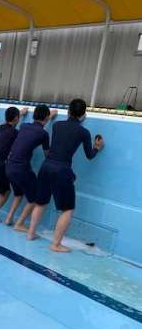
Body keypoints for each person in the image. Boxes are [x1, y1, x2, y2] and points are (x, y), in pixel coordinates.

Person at [28, 98, 104, 253]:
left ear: (68, 111)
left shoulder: (57, 125)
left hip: (46, 166)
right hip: (62, 170)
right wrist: (97, 147)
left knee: (41, 202)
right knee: (68, 209)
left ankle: (30, 234)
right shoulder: (83, 132)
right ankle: (55, 244)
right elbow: (89, 155)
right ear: (83, 115)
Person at [5, 105, 58, 230]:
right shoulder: (44, 134)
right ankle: (19, 224)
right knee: (35, 198)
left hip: (9, 166)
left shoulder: (23, 126)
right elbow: (47, 155)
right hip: (22, 169)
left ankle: (9, 218)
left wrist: (47, 116)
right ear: (47, 118)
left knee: (18, 194)